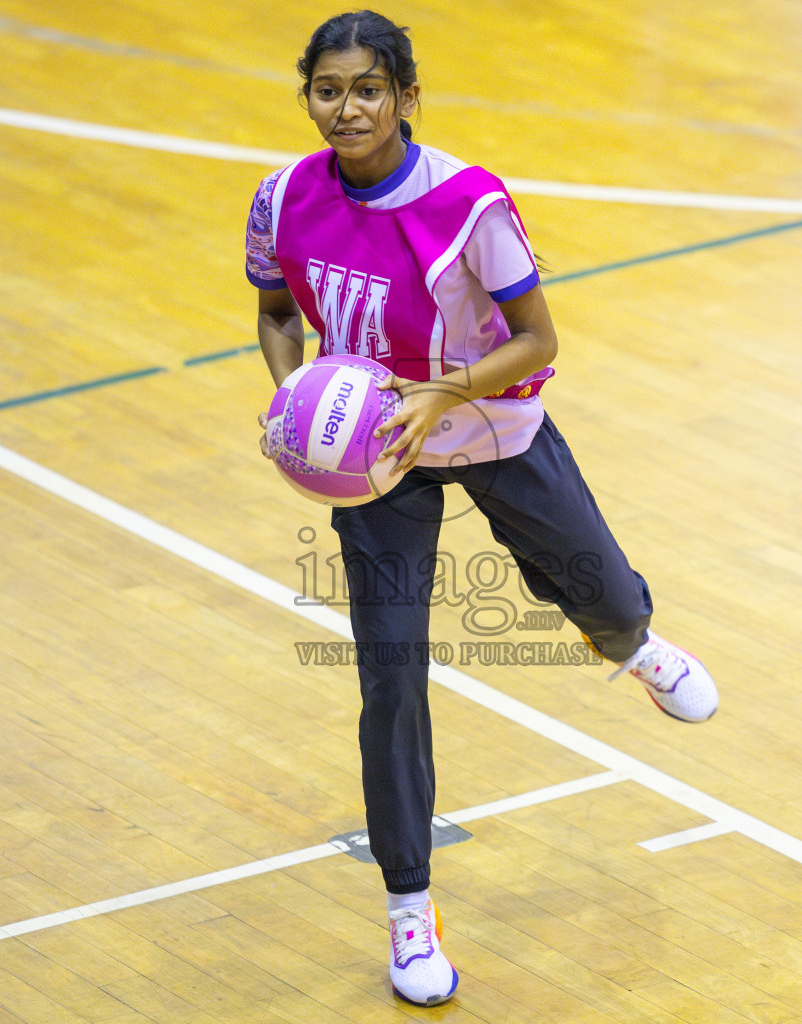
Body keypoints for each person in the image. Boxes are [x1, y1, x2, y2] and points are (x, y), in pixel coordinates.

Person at [245, 10, 718, 1006]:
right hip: (379, 464)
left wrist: (441, 394)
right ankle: (410, 908)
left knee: (605, 595)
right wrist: (294, 398)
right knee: (389, 677)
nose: (347, 108)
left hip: (492, 426)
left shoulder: (468, 204)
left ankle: (631, 646)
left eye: (368, 89)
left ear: (407, 98)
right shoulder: (283, 196)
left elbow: (538, 339)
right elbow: (276, 309)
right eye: (328, 90)